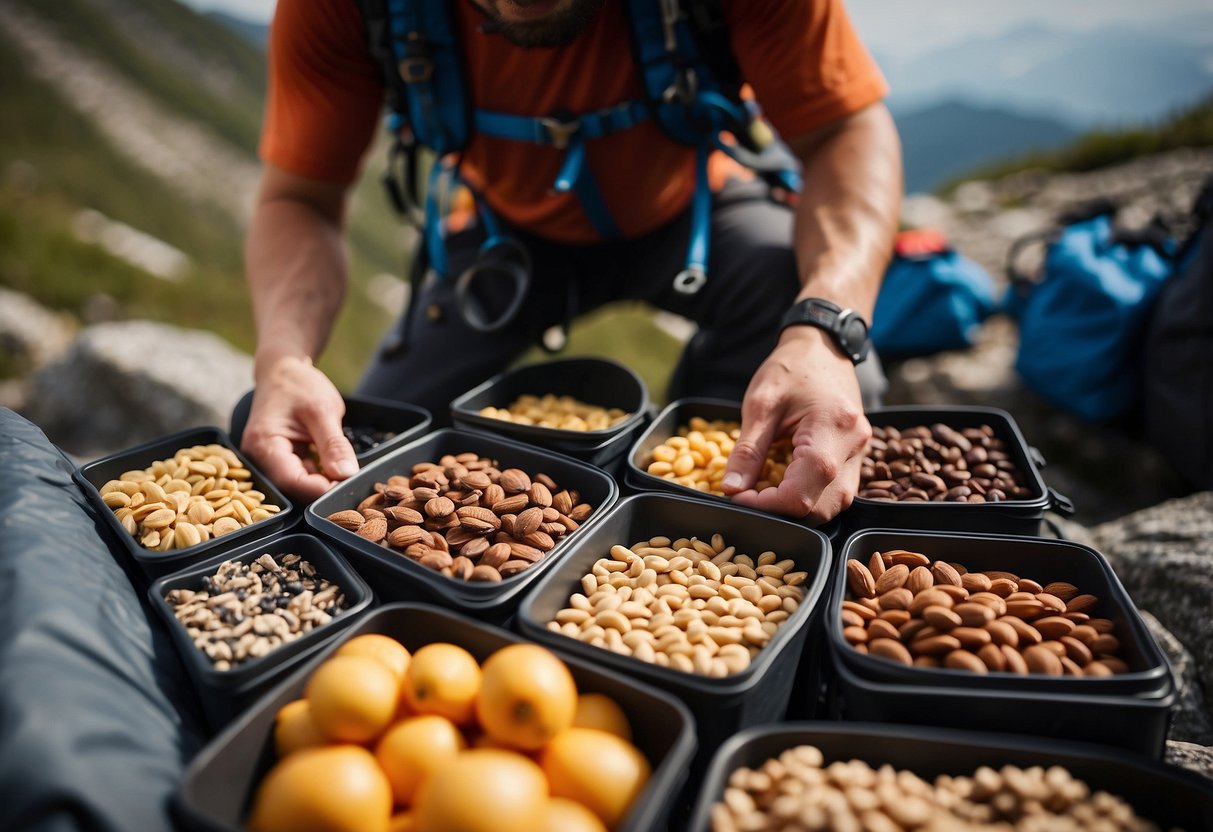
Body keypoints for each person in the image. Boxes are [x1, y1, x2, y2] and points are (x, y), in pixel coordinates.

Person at [240, 0, 903, 523]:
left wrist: (822, 330)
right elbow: (300, 198)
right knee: (359, 450)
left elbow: (845, 132)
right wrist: (285, 360)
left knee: (838, 382)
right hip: (505, 234)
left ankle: (715, 504)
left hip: (692, 210)